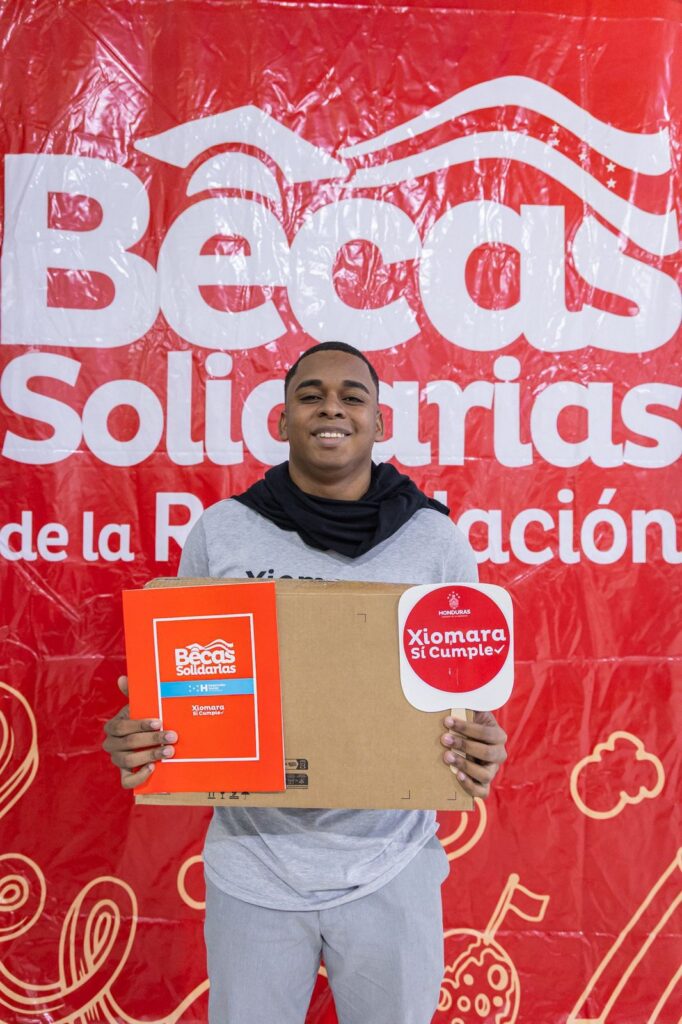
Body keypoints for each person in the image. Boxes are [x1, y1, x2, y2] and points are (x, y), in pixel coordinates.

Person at [103, 342, 508, 1024]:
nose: (331, 409)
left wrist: (483, 745)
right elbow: (182, 682)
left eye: (353, 397)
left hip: (392, 863)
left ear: (380, 422)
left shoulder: (435, 543)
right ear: (282, 418)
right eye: (310, 395)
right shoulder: (223, 533)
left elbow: (467, 701)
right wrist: (143, 731)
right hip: (252, 865)